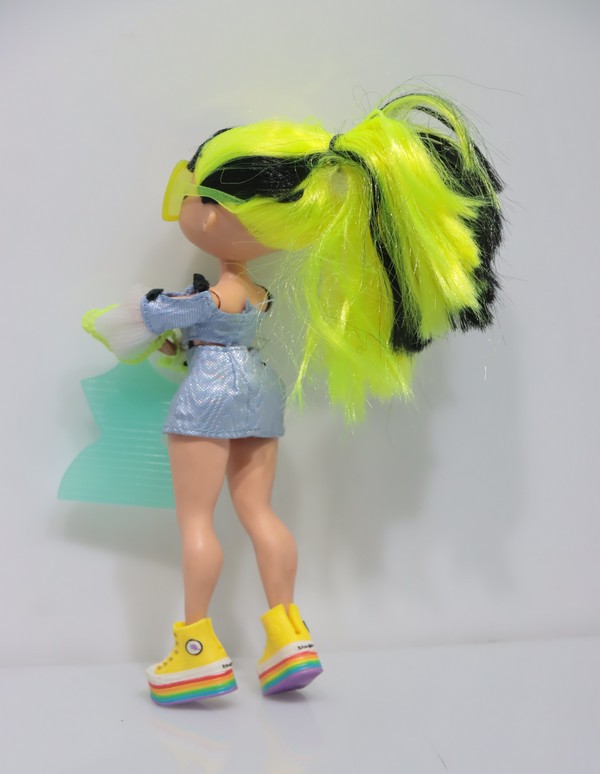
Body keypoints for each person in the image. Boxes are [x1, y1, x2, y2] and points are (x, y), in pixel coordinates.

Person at [86, 90, 503, 705]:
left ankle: (197, 650)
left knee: (197, 521)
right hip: (259, 392)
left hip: (208, 397)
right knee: (260, 514)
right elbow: (207, 332)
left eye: (189, 193)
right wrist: (186, 343)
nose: (185, 207)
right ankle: (288, 636)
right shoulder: (259, 294)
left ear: (218, 213)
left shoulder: (211, 295)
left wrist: (143, 318)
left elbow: (144, 319)